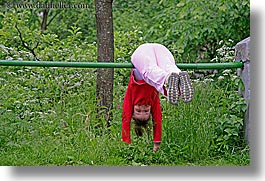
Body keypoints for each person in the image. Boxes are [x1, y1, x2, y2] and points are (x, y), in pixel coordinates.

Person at [122, 43, 194, 152]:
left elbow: (126, 118)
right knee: (168, 67)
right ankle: (177, 78)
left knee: (149, 72)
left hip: (142, 52)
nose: (143, 107)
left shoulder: (131, 97)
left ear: (133, 109)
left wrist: (126, 142)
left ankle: (168, 79)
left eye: (138, 110)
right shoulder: (152, 101)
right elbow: (157, 118)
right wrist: (157, 142)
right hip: (162, 50)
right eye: (146, 111)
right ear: (149, 110)